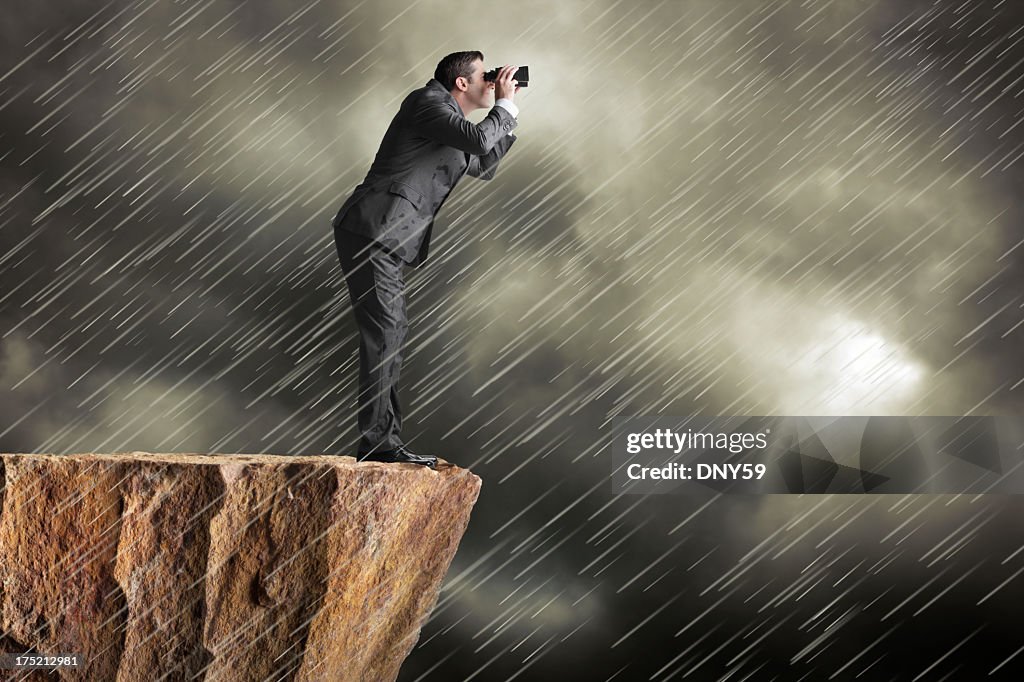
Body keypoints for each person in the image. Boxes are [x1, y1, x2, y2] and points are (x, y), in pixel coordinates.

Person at [331, 51, 521, 468]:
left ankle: (382, 442)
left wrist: (512, 110)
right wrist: (502, 104)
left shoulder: (450, 125)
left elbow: (483, 162)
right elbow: (477, 139)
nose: (490, 83)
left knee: (390, 334)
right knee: (386, 333)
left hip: (387, 235)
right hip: (373, 229)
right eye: (483, 77)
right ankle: (379, 446)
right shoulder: (427, 103)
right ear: (461, 84)